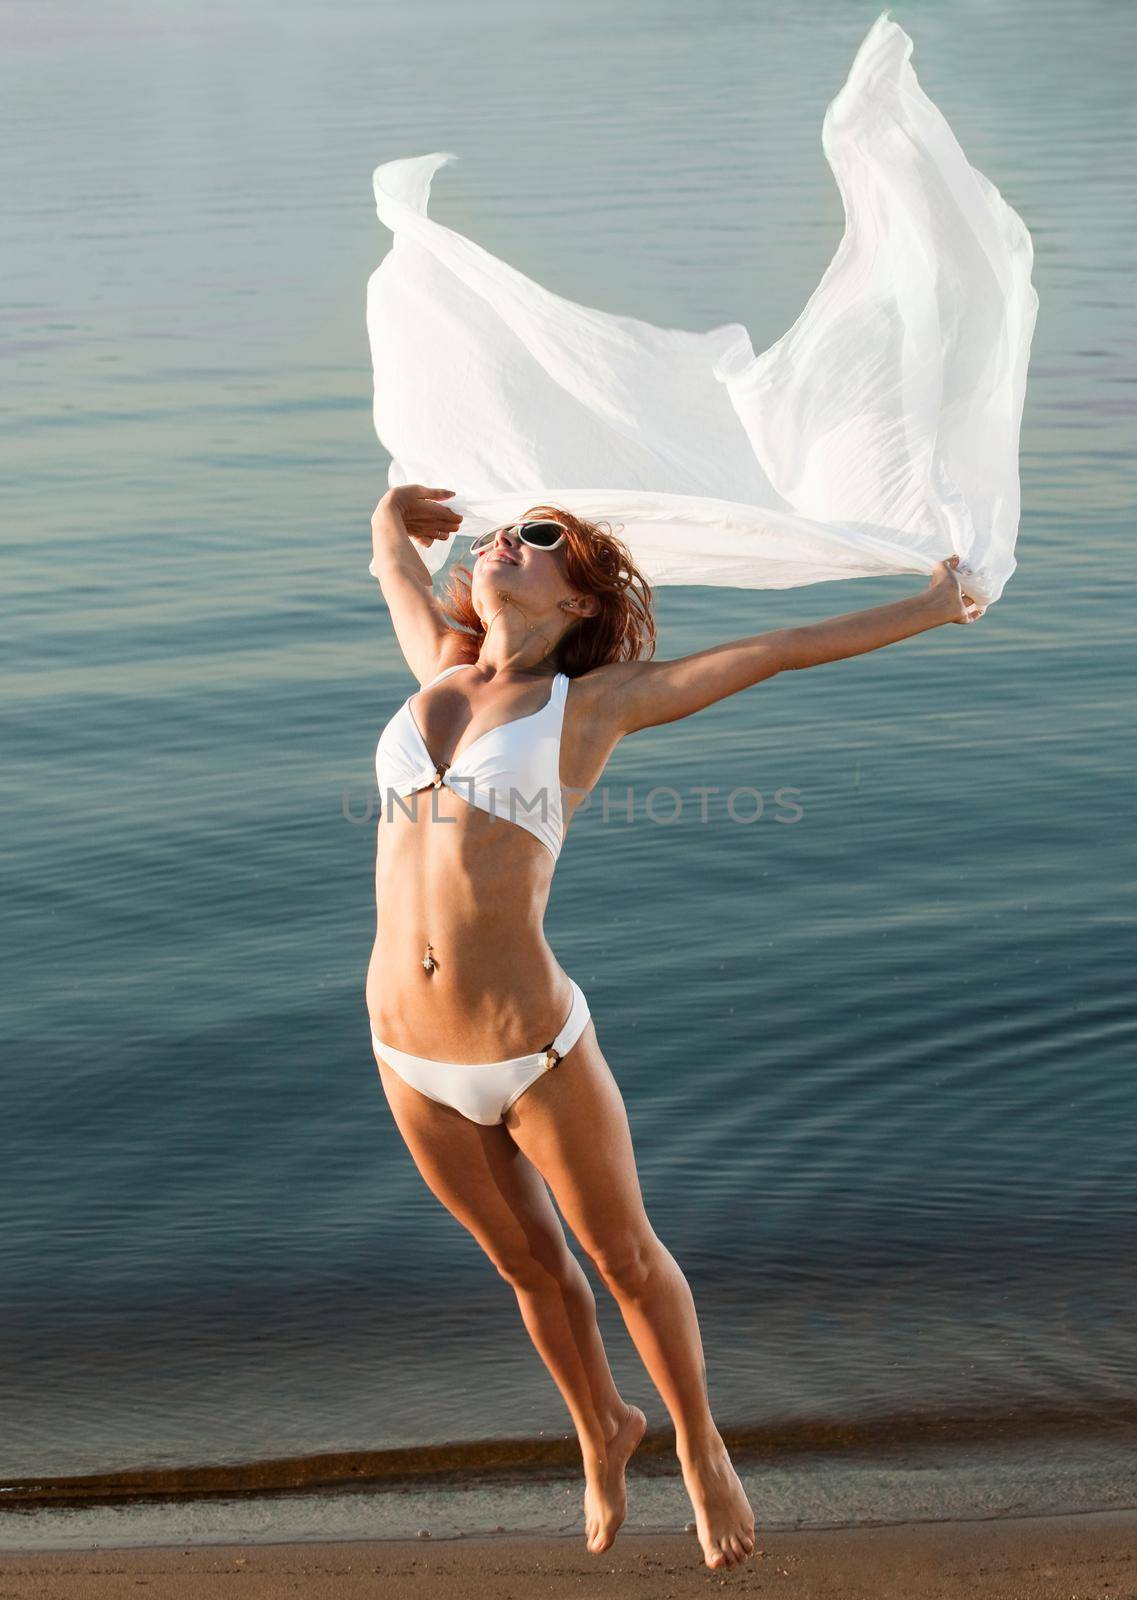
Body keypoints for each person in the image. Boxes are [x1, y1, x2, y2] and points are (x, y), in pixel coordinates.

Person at [364, 481, 985, 1570]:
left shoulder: (592, 706)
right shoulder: (438, 674)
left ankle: (700, 1445)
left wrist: (934, 602)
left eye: (542, 535)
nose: (509, 535)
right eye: (509, 525)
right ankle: (604, 1425)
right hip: (407, 1054)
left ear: (574, 599)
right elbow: (397, 573)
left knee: (622, 1258)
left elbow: (777, 649)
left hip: (535, 1049)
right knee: (528, 1269)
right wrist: (388, 516)